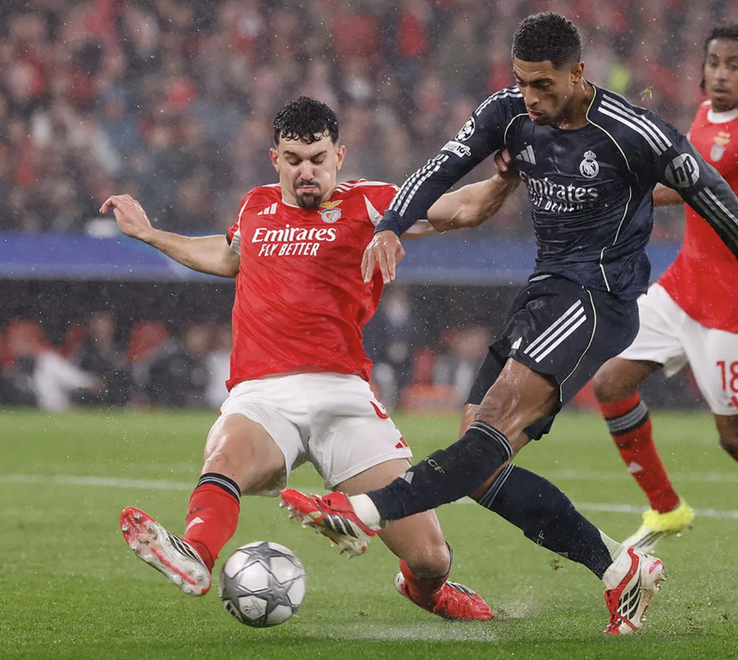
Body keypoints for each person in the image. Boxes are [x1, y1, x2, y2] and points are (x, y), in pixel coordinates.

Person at [279, 12, 738, 635]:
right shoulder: (509, 112)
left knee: (488, 430)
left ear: (578, 72)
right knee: (481, 466)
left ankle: (362, 512)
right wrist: (390, 225)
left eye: (543, 84)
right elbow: (441, 166)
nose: (530, 97)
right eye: (521, 82)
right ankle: (620, 569)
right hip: (544, 292)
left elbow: (703, 183)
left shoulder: (632, 131)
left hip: (597, 301)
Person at [105, 96, 520, 621]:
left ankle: (427, 590)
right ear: (275, 159)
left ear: (339, 156)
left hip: (342, 393)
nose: (307, 171)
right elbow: (229, 256)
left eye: (318, 159)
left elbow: (462, 208)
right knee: (225, 458)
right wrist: (149, 235)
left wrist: (505, 176)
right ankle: (196, 554)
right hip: (263, 393)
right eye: (294, 160)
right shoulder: (255, 205)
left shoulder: (371, 204)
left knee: (430, 556)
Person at [590, 21, 738, 576]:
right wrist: (625, 193)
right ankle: (666, 508)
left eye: (734, 65)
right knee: (610, 383)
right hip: (683, 287)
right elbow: (692, 185)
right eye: (714, 63)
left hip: (737, 305)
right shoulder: (704, 116)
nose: (720, 74)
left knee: (735, 437)